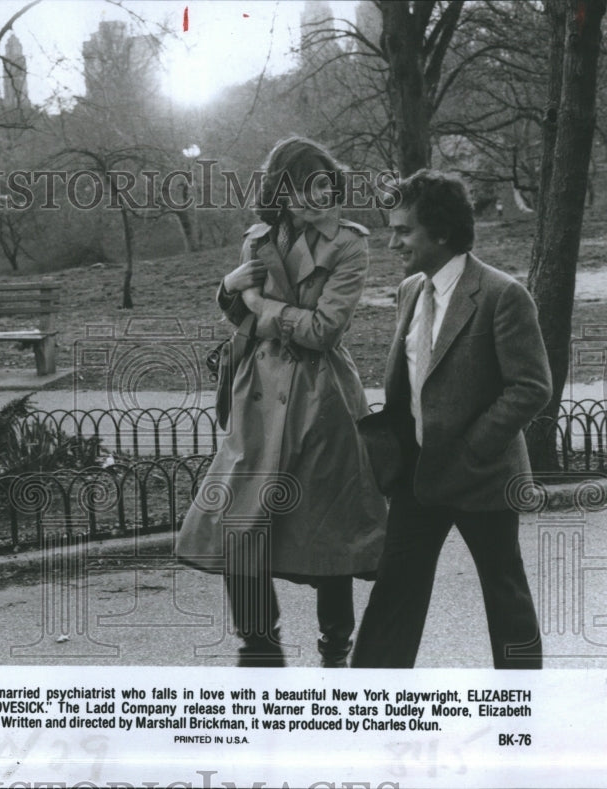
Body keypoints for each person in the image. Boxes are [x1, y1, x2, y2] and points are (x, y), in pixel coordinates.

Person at [176, 137, 387, 667]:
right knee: (236, 520)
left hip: (322, 399)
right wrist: (229, 289)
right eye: (299, 189)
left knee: (327, 525)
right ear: (279, 191)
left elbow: (322, 330)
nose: (313, 199)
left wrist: (258, 303)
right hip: (258, 397)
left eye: (322, 187)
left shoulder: (350, 244)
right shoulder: (259, 238)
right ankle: (259, 644)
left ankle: (335, 648)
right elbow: (242, 317)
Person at [352, 170, 551, 669]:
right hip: (418, 477)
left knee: (505, 597)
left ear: (440, 233)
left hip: (483, 476)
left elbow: (531, 386)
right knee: (395, 591)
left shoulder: (502, 295)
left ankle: (526, 707)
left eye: (403, 230)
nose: (393, 241)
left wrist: (474, 448)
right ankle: (366, 708)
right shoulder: (409, 291)